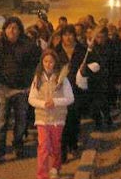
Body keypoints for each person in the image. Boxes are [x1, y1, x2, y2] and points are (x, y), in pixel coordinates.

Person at [0, 16, 41, 163]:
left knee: (21, 121)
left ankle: (18, 145)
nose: (12, 30)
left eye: (15, 28)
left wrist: (31, 79)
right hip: (4, 87)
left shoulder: (28, 45)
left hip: (21, 89)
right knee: (1, 121)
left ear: (20, 30)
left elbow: (37, 61)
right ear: (4, 30)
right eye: (9, 27)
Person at [29, 49, 74, 179]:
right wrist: (43, 104)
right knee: (43, 146)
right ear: (42, 62)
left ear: (55, 63)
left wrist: (55, 102)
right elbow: (31, 99)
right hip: (42, 118)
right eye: (46, 61)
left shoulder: (63, 79)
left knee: (55, 145)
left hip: (57, 118)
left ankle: (56, 166)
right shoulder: (37, 78)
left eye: (51, 62)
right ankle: (42, 174)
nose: (48, 64)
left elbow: (70, 98)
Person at [54, 25, 87, 163]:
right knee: (63, 120)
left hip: (77, 89)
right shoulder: (56, 51)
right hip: (61, 90)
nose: (68, 37)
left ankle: (73, 144)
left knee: (74, 118)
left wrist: (84, 70)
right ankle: (63, 150)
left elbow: (92, 66)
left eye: (70, 34)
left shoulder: (82, 50)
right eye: (65, 35)